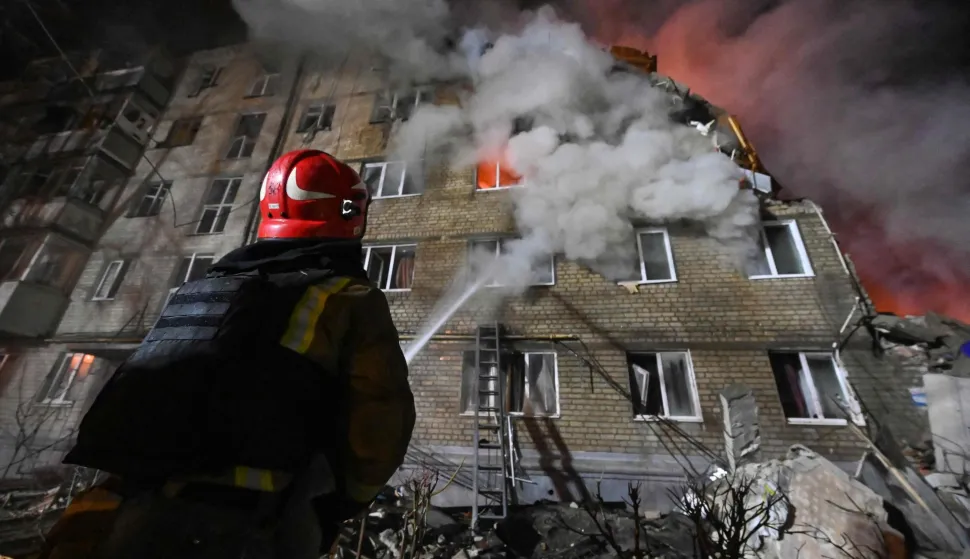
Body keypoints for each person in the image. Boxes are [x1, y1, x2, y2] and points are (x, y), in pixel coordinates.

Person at [37, 149, 416, 559]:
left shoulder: (197, 291)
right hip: (247, 527)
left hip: (122, 511)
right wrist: (343, 504)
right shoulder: (350, 297)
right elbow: (377, 424)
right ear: (349, 211)